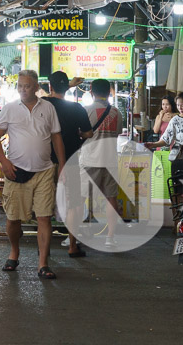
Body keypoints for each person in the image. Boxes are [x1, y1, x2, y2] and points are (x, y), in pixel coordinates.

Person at [0, 69, 64, 279]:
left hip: (44, 170)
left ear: (36, 87)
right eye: (20, 86)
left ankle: (43, 263)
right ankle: (14, 252)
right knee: (13, 219)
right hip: (16, 171)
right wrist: (4, 162)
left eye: (27, 86)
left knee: (44, 218)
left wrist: (63, 164)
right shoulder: (10, 108)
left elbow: (56, 137)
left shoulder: (48, 107)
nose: (23, 89)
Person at [44, 71, 90, 258]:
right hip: (70, 160)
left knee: (44, 204)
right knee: (73, 204)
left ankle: (44, 249)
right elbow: (88, 134)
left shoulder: (43, 105)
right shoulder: (77, 108)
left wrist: (67, 85)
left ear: (50, 86)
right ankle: (72, 245)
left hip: (45, 161)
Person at [78, 78, 122, 248]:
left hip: (89, 159)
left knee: (80, 199)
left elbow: (80, 133)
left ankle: (74, 236)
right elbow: (117, 133)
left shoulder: (86, 110)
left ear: (91, 90)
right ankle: (110, 237)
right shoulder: (116, 112)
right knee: (111, 199)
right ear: (109, 91)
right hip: (110, 160)